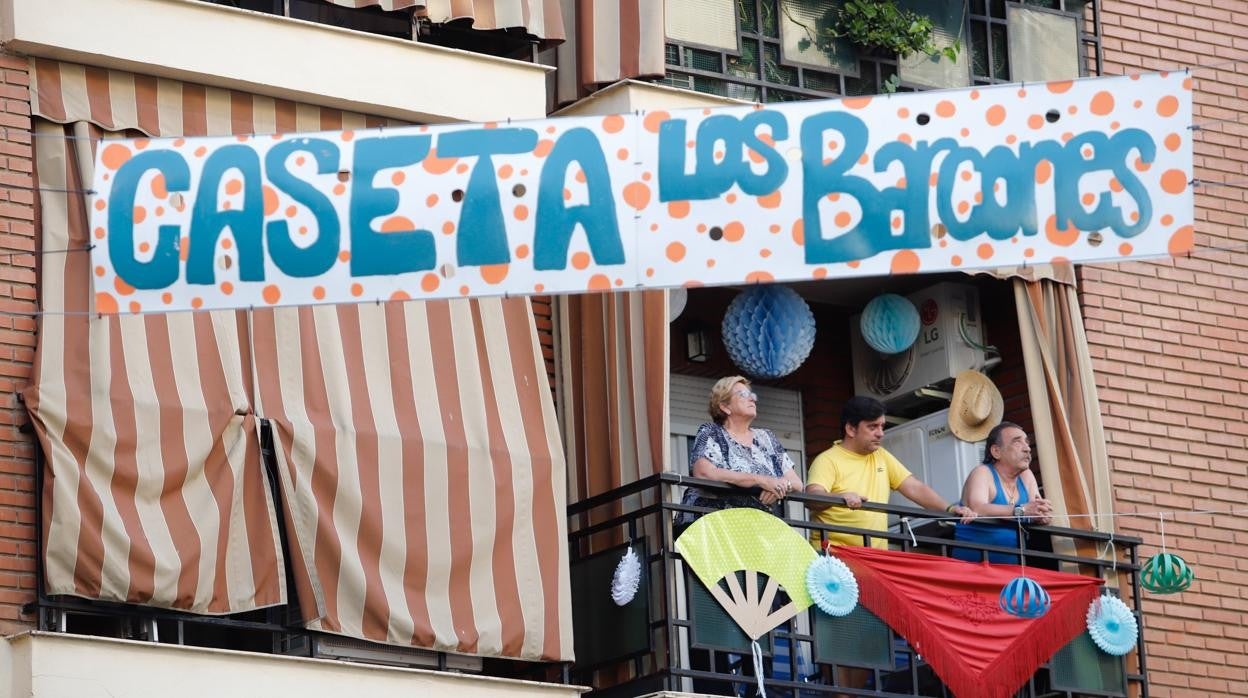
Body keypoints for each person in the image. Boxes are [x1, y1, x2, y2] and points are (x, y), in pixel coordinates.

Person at [805, 395, 976, 550]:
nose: (880, 433)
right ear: (850, 429)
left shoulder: (881, 456)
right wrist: (841, 497)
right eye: (872, 427)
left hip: (875, 557)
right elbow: (812, 498)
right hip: (834, 558)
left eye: (882, 426)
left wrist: (950, 509)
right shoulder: (827, 460)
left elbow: (914, 488)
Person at [677, 375, 803, 526]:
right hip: (712, 522)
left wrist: (779, 485)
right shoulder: (711, 432)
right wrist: (762, 480)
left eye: (752, 395)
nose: (752, 399)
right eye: (743, 394)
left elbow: (797, 483)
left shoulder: (766, 437)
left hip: (756, 525)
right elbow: (703, 472)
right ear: (725, 406)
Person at [952, 421, 1053, 563]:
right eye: (1017, 442)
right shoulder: (982, 472)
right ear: (996, 451)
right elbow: (978, 507)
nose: (1027, 449)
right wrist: (1021, 510)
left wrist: (1042, 516)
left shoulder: (1026, 475)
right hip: (973, 567)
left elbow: (1033, 510)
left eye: (1027, 443)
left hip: (1012, 569)